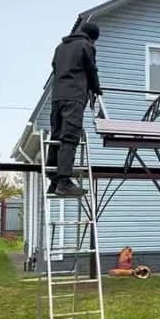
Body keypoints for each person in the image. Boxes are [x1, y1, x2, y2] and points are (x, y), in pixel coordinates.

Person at [46, 23, 103, 196]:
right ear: (92, 38)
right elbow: (91, 70)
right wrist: (96, 88)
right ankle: (64, 182)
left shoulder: (60, 47)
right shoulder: (86, 46)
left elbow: (55, 68)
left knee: (56, 136)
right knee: (70, 138)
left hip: (57, 97)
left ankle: (54, 182)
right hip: (74, 97)